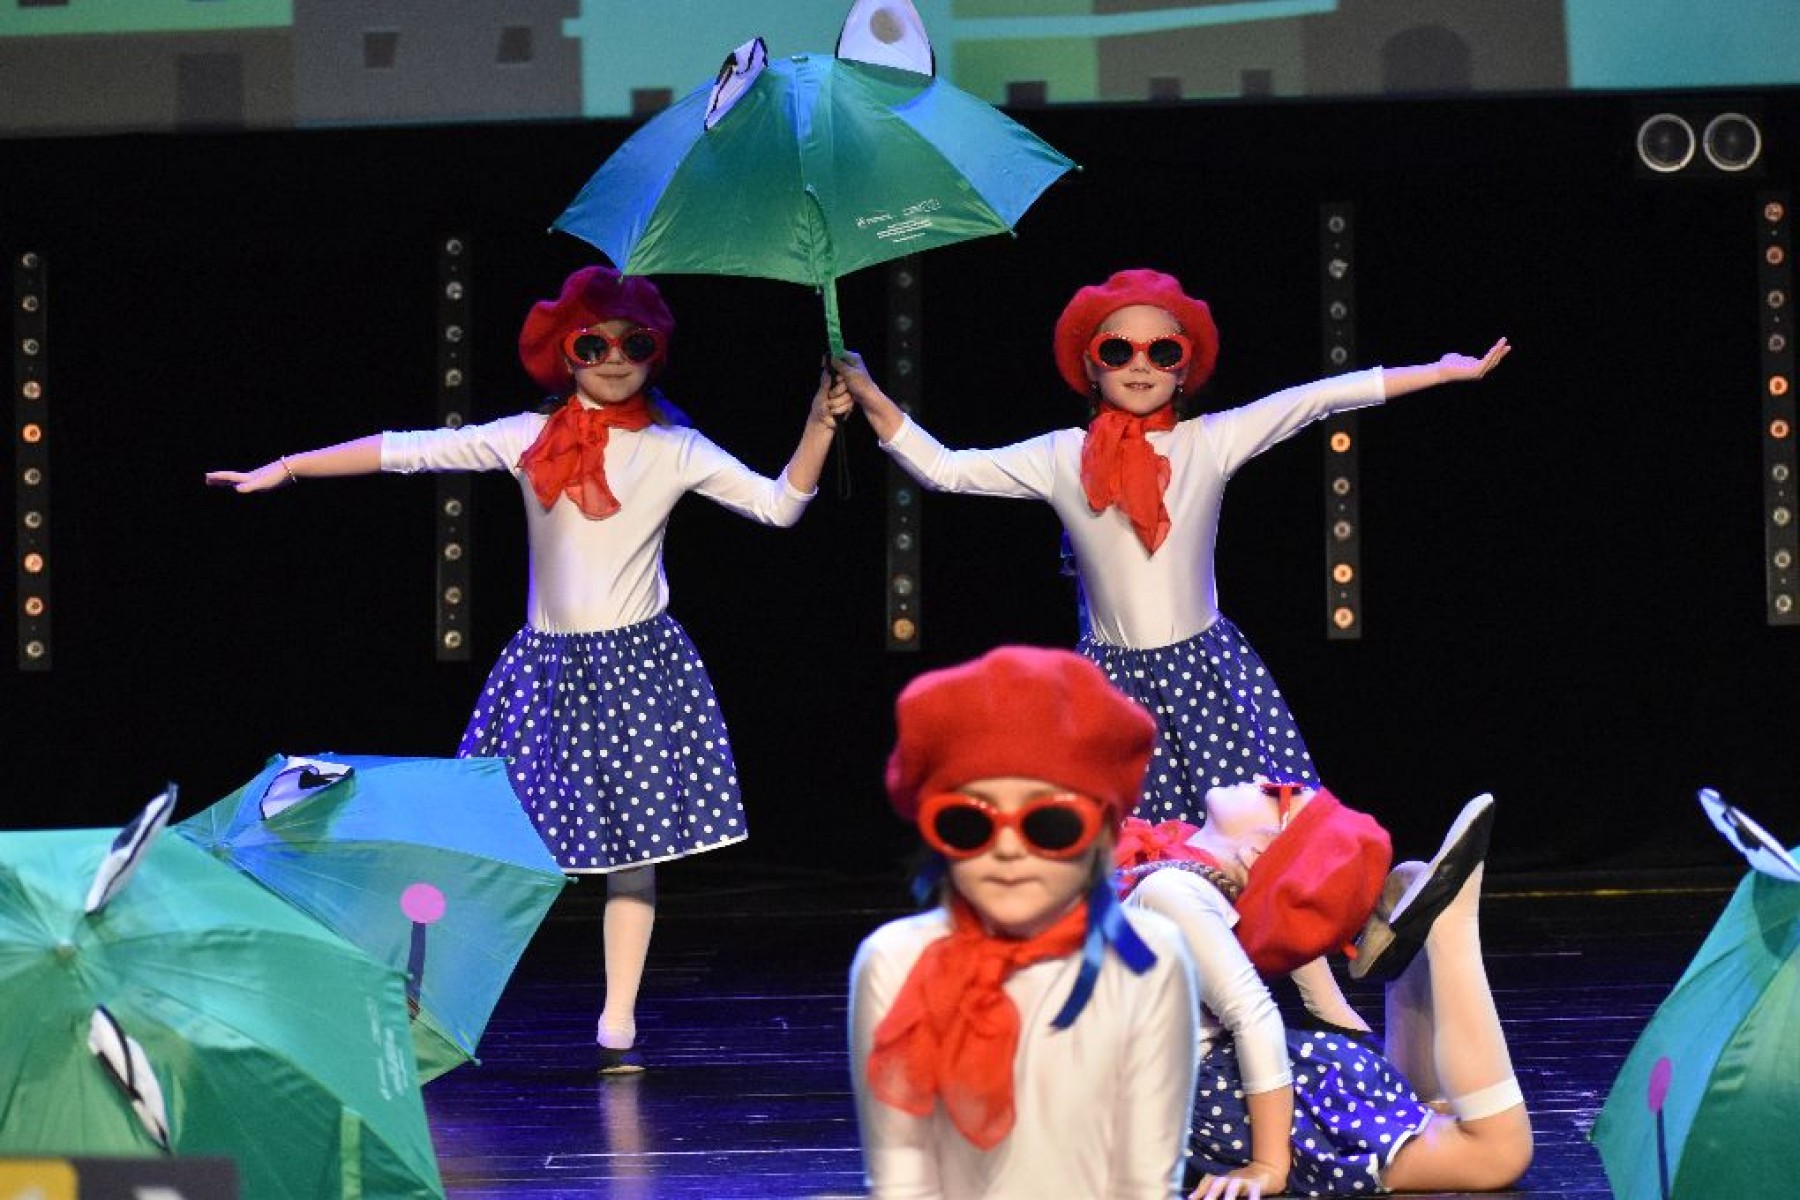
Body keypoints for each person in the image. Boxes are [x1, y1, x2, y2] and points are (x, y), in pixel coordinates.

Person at [207, 264, 851, 1074]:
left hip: (635, 670)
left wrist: (818, 425)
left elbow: (778, 505)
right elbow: (411, 450)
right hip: (543, 672)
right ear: (564, 353)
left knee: (632, 852)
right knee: (480, 834)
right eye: (592, 344)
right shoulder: (526, 438)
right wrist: (292, 465)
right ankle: (422, 993)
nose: (613, 359)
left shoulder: (672, 447)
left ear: (655, 352)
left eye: (633, 343)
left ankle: (617, 1023)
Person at [831, 267, 1510, 827]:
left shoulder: (1208, 441)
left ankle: (1338, 944)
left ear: (1184, 370)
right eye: (1117, 351)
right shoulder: (1062, 456)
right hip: (1112, 684)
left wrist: (1440, 372)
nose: (1140, 365)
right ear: (1090, 367)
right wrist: (867, 392)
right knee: (1134, 842)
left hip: (1206, 672)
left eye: (1162, 352)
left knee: (1258, 835)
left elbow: (1317, 399)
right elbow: (946, 470)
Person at [848, 645, 1201, 1198]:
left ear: (1105, 832)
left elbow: (1144, 1182)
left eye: (1050, 824)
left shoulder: (1146, 957)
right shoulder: (894, 960)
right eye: (969, 823)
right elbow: (902, 1175)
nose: (1009, 848)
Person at [1117, 784, 1534, 1198]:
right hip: (1208, 1084)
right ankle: (1417, 953)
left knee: (1496, 1153)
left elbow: (1253, 1017)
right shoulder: (1183, 884)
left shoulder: (1173, 890)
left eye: (1275, 796)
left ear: (1258, 851)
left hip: (1212, 1098)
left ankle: (1449, 928)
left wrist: (1268, 1165)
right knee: (1428, 1117)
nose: (1261, 782)